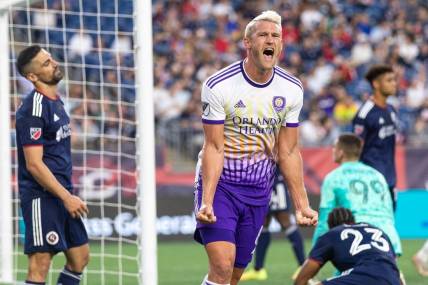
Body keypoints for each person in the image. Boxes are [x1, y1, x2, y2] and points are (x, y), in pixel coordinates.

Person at [193, 10, 318, 285]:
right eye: (263, 35)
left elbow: (287, 151)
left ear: (281, 45)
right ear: (247, 43)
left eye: (276, 36)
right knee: (222, 266)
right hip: (222, 186)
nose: (270, 40)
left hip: (259, 191)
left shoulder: (292, 89)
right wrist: (207, 200)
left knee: (234, 275)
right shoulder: (219, 85)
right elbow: (213, 147)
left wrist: (302, 205)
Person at [15, 45, 89, 285]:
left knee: (80, 258)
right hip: (41, 195)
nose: (54, 64)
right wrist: (66, 197)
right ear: (32, 77)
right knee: (40, 265)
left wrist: (67, 195)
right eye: (46, 63)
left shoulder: (56, 101)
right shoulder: (32, 109)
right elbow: (34, 165)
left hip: (62, 192)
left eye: (51, 59)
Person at [312, 133, 402, 257]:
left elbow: (324, 220)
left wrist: (314, 253)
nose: (332, 150)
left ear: (341, 152)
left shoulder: (334, 178)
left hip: (359, 240)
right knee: (384, 273)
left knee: (346, 275)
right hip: (389, 240)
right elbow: (389, 212)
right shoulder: (378, 175)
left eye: (334, 148)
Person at [295, 207, 401, 285]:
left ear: (330, 226)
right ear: (353, 221)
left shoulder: (332, 234)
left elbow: (301, 280)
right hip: (392, 279)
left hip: (364, 276)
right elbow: (394, 268)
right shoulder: (378, 231)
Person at [240, 168, 306, 281]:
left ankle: (303, 267)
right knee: (263, 222)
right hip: (261, 181)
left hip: (275, 180)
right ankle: (258, 269)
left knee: (284, 220)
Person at [352, 64, 398, 210]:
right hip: (371, 181)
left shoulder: (391, 110)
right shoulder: (365, 114)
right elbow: (354, 150)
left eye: (394, 80)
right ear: (376, 84)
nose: (394, 83)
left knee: (389, 223)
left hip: (390, 179)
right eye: (389, 80)